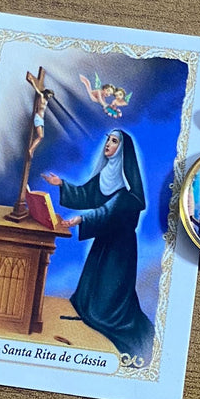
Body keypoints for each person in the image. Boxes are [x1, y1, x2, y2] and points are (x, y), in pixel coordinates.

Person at [42, 130, 154, 366]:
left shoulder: (129, 192)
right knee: (93, 288)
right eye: (108, 140)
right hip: (104, 241)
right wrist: (61, 184)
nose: (108, 144)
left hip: (120, 247)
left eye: (114, 141)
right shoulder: (105, 176)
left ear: (123, 150)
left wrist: (80, 219)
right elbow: (85, 194)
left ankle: (111, 323)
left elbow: (108, 211)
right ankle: (90, 312)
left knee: (110, 290)